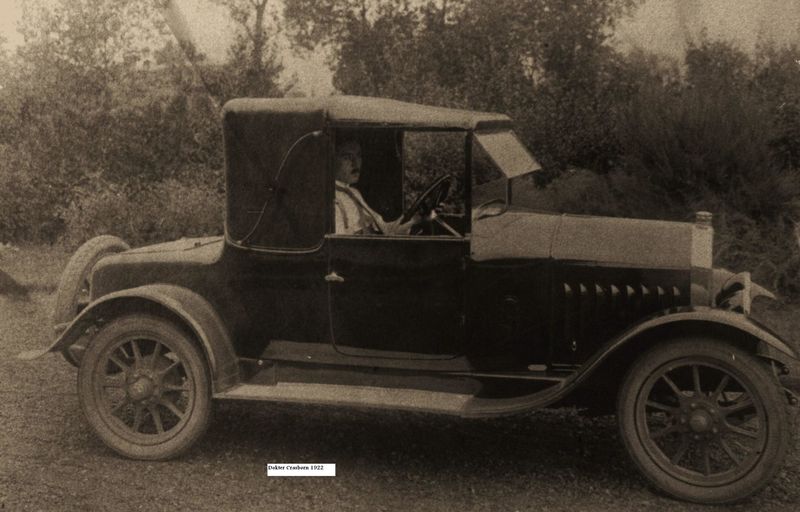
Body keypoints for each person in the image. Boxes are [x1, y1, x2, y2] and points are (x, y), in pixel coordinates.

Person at [334, 141, 420, 235]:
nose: (355, 163)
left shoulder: (354, 192)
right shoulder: (332, 199)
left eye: (358, 156)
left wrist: (413, 220)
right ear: (332, 161)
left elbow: (385, 228)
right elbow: (341, 241)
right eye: (347, 157)